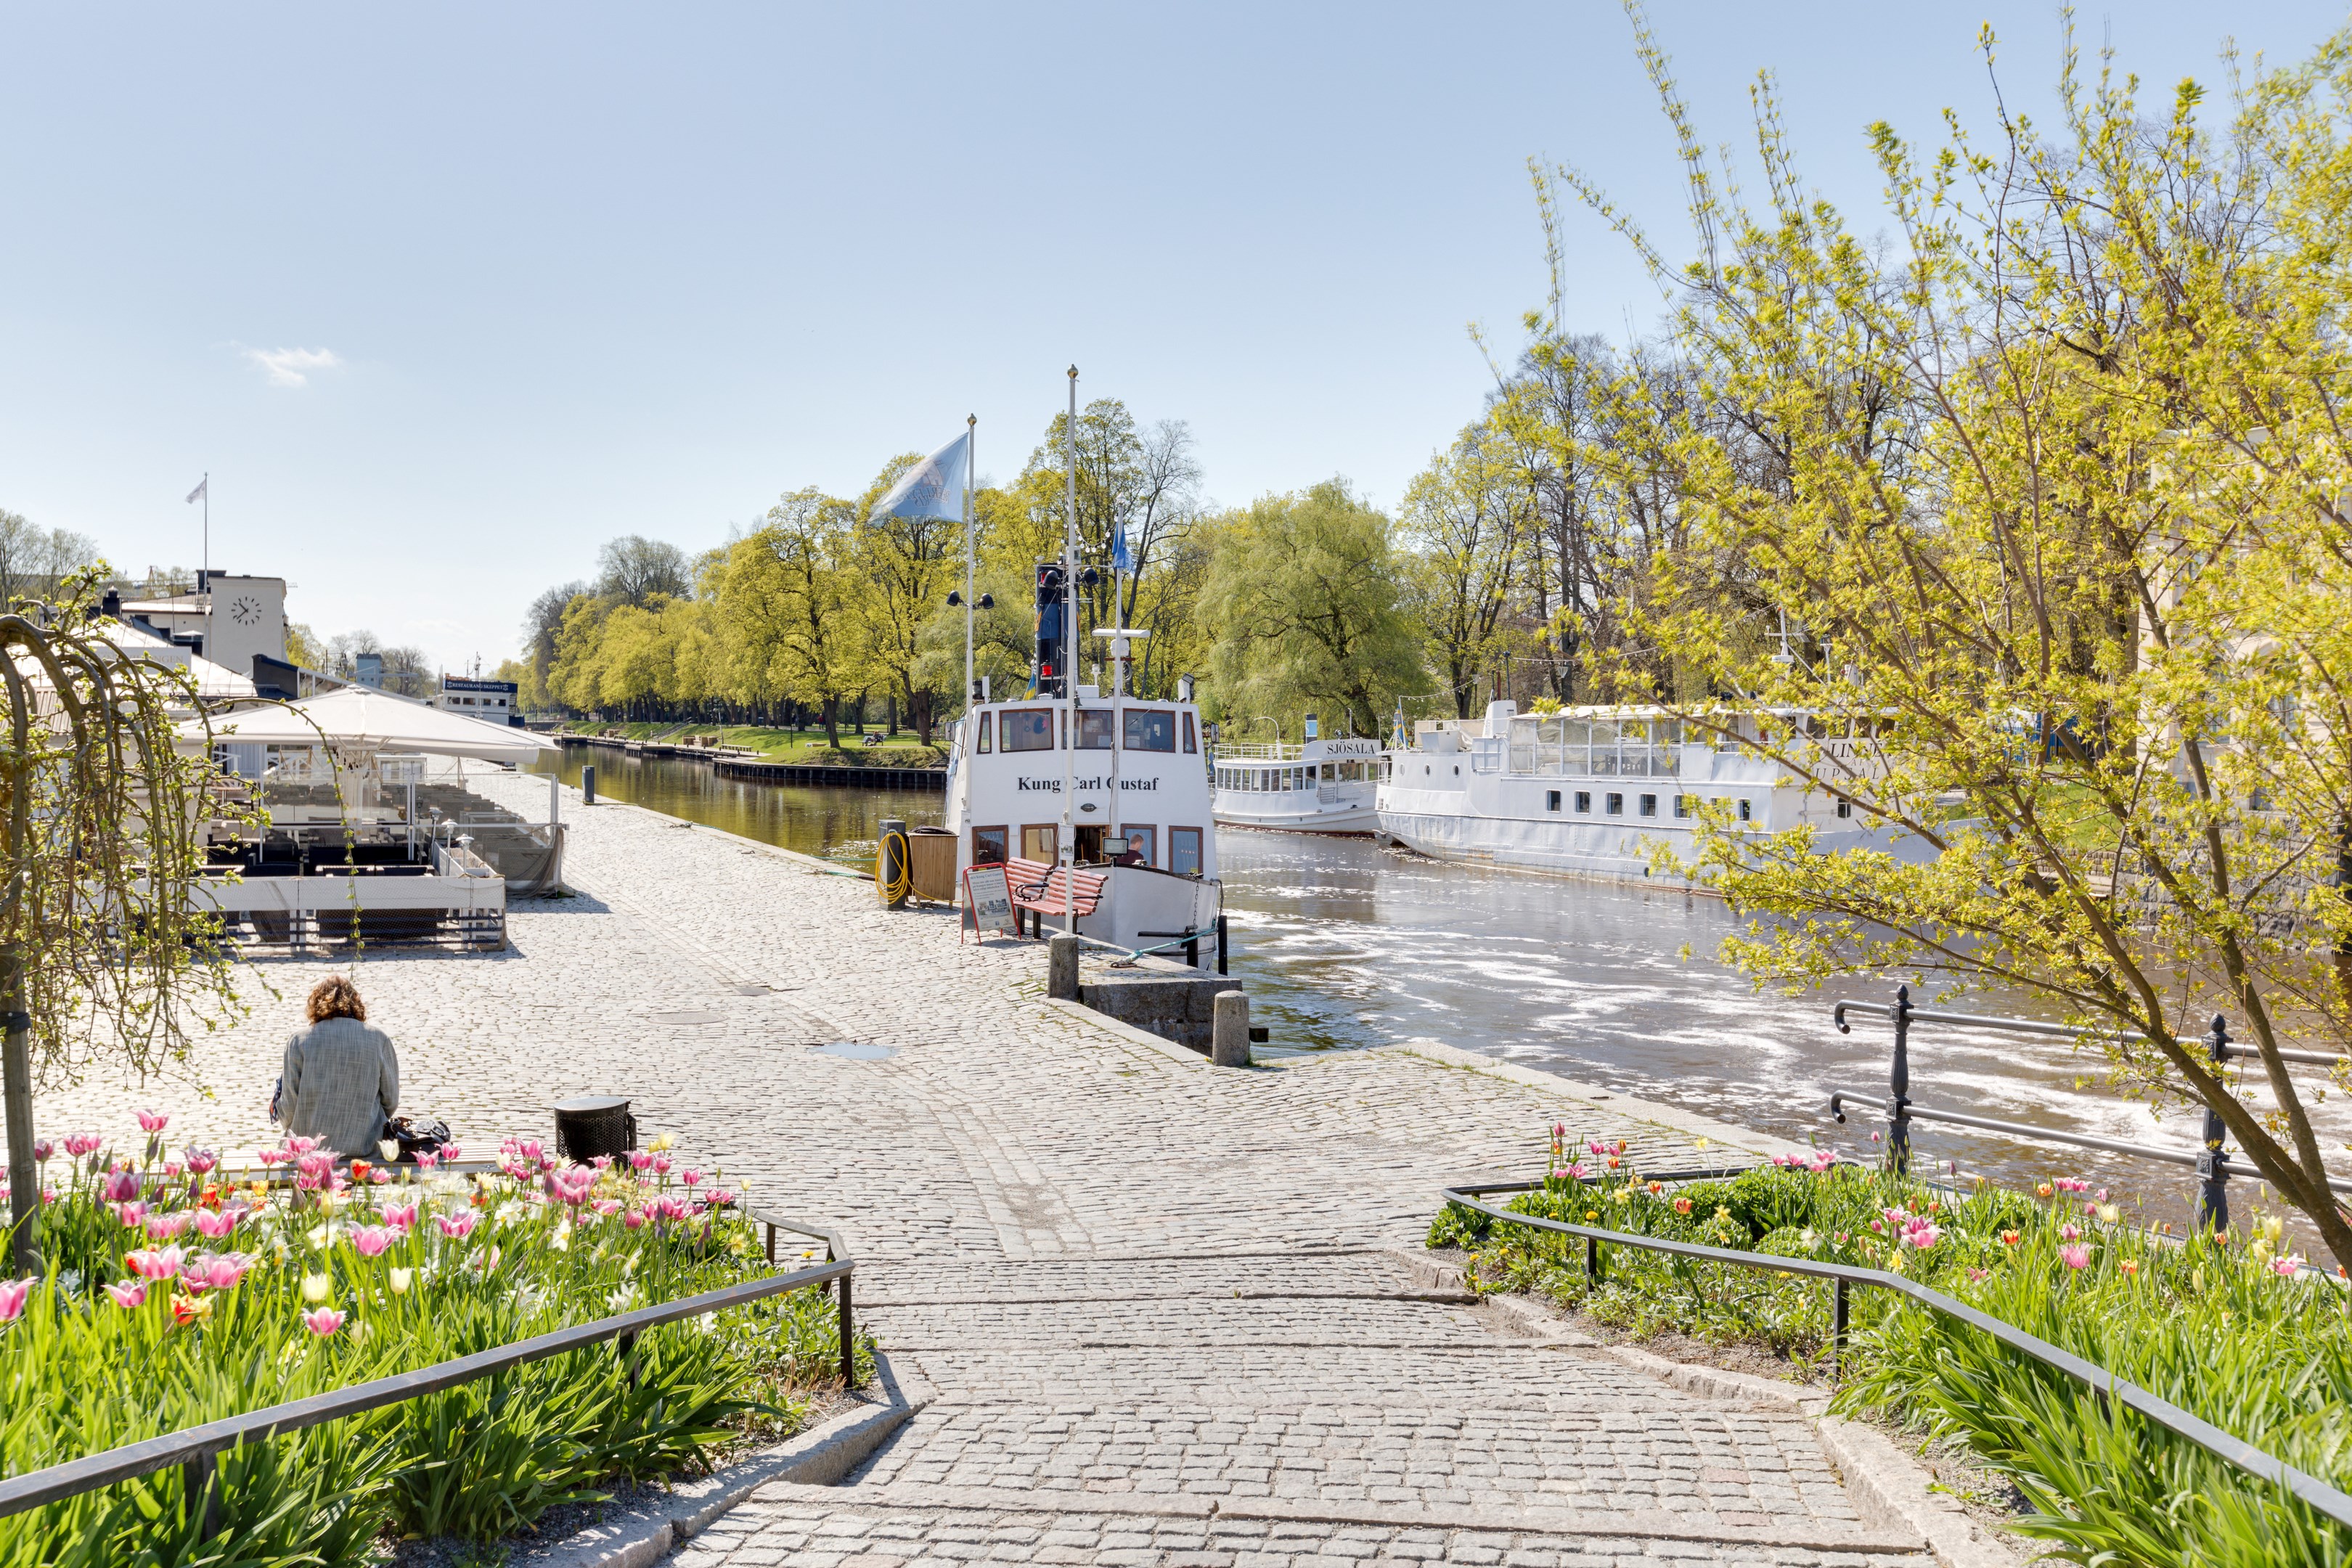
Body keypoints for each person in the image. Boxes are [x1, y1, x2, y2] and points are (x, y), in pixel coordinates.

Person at [277, 976, 400, 1161]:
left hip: (308, 1152)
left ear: (315, 1005)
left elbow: (288, 1109)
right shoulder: (379, 1039)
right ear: (356, 1004)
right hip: (365, 1148)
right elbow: (391, 1101)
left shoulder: (299, 1041)